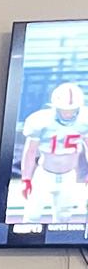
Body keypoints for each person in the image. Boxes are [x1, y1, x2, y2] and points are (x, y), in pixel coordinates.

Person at [20, 82, 88, 223]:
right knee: (31, 215)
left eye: (73, 109)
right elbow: (30, 151)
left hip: (69, 175)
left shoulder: (84, 120)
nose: (68, 113)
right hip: (43, 174)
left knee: (64, 218)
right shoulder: (40, 121)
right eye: (64, 109)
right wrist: (26, 178)